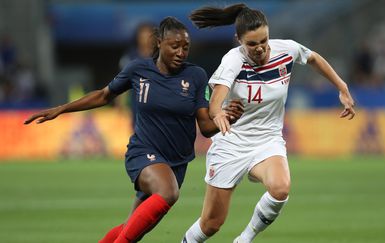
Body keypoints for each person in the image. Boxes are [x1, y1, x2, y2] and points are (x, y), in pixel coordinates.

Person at [24, 17, 244, 243]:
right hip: (144, 152)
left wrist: (226, 118)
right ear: (159, 43)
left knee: (133, 228)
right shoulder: (138, 69)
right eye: (175, 46)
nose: (181, 52)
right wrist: (61, 109)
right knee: (168, 193)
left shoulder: (195, 75)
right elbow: (103, 95)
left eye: (185, 47)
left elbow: (205, 128)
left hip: (177, 162)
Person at [182, 3, 355, 243]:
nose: (260, 48)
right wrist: (218, 113)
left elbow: (313, 58)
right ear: (239, 41)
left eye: (264, 40)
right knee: (212, 224)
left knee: (281, 188)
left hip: (267, 141)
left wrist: (341, 87)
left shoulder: (287, 50)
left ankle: (244, 239)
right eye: (252, 44)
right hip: (231, 143)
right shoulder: (233, 60)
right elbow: (217, 97)